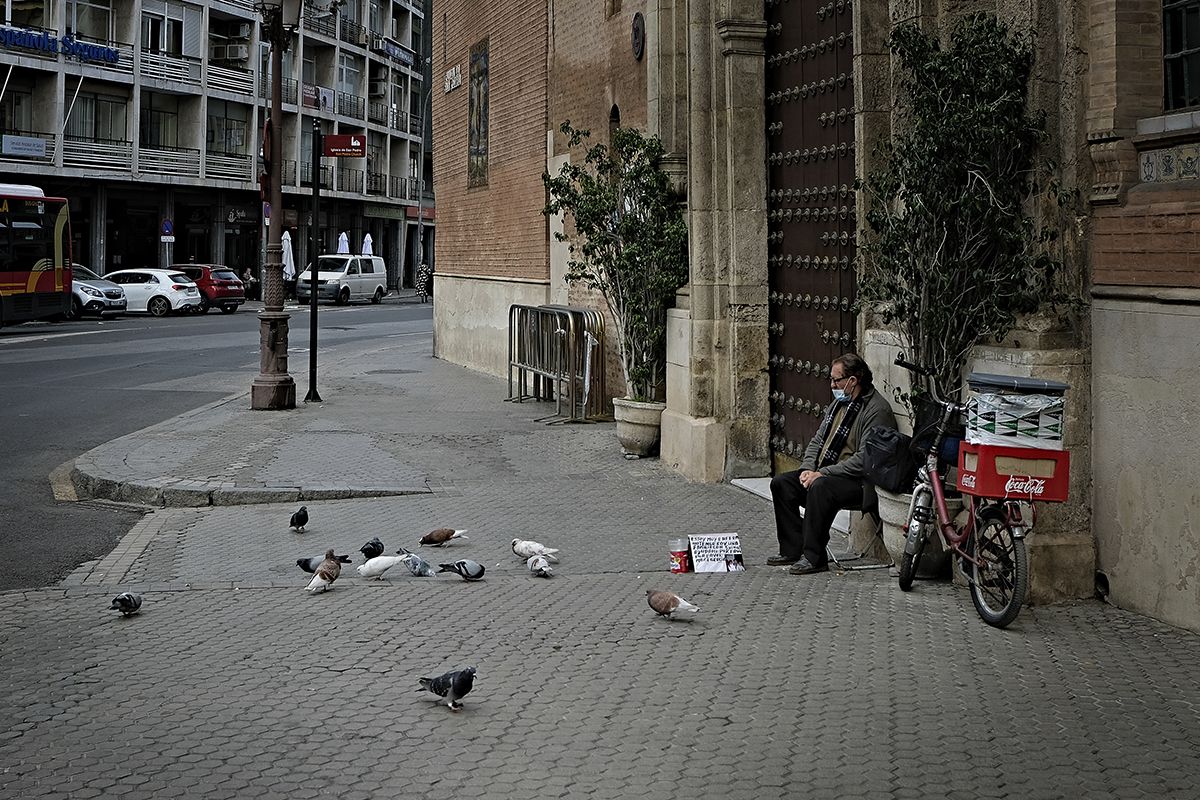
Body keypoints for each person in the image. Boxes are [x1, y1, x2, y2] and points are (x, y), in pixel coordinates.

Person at [769, 353, 897, 575]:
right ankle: (792, 549)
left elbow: (864, 460)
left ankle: (814, 557)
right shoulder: (839, 404)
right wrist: (808, 468)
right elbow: (818, 439)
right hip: (826, 473)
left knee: (821, 488)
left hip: (858, 483)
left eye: (836, 380)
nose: (832, 385)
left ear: (853, 381)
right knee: (782, 483)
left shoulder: (877, 410)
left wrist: (822, 473)